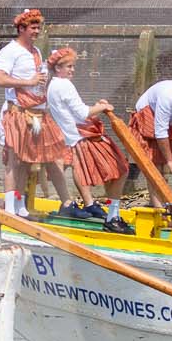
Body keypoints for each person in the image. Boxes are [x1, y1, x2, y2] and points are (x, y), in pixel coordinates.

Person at [42, 47, 134, 232]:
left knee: (107, 171)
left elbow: (74, 111)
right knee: (121, 168)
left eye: (73, 66)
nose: (72, 70)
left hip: (74, 136)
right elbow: (83, 113)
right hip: (83, 137)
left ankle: (92, 206)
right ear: (58, 68)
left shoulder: (52, 85)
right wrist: (103, 106)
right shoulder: (64, 85)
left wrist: (95, 108)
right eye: (69, 66)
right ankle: (112, 217)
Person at [0, 9, 65, 217]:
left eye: (38, 27)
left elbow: (38, 81)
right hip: (15, 112)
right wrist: (28, 82)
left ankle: (20, 205)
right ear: (21, 28)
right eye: (33, 28)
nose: (37, 31)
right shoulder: (9, 51)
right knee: (13, 161)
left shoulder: (36, 52)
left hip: (34, 113)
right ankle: (10, 209)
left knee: (26, 161)